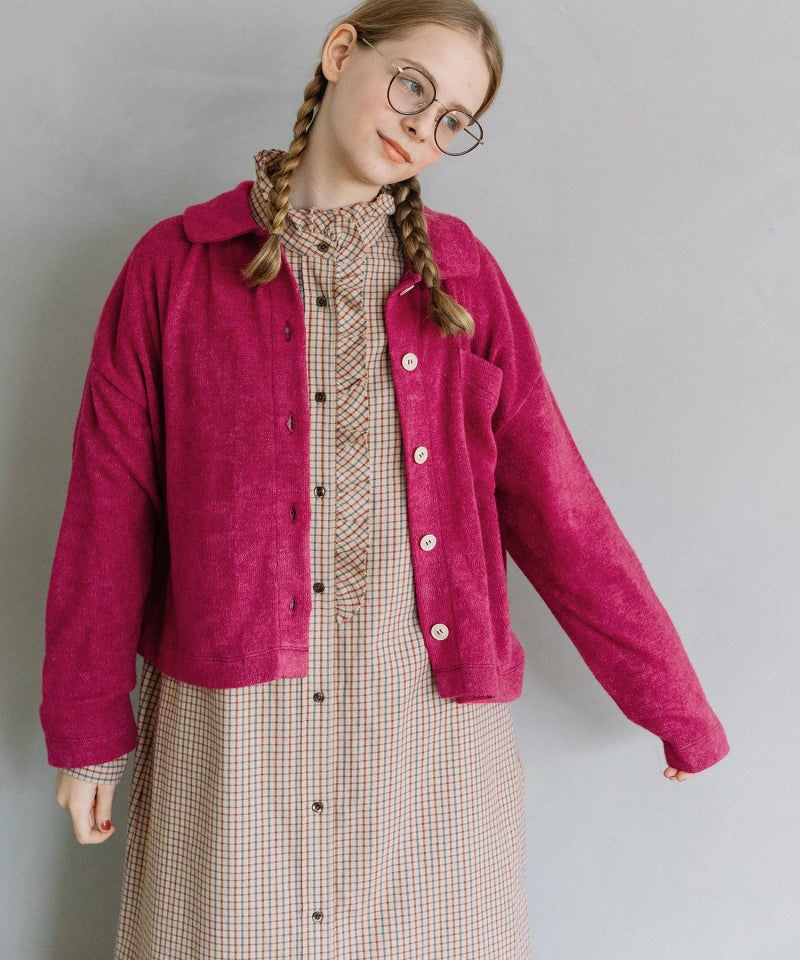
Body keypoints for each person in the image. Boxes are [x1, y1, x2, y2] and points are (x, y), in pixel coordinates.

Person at [41, 1, 730, 957]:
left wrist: (673, 705)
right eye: (413, 84)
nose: (421, 126)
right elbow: (108, 511)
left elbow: (557, 502)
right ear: (340, 53)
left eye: (452, 119)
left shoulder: (463, 282)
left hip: (427, 734)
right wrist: (87, 732)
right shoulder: (176, 268)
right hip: (235, 740)